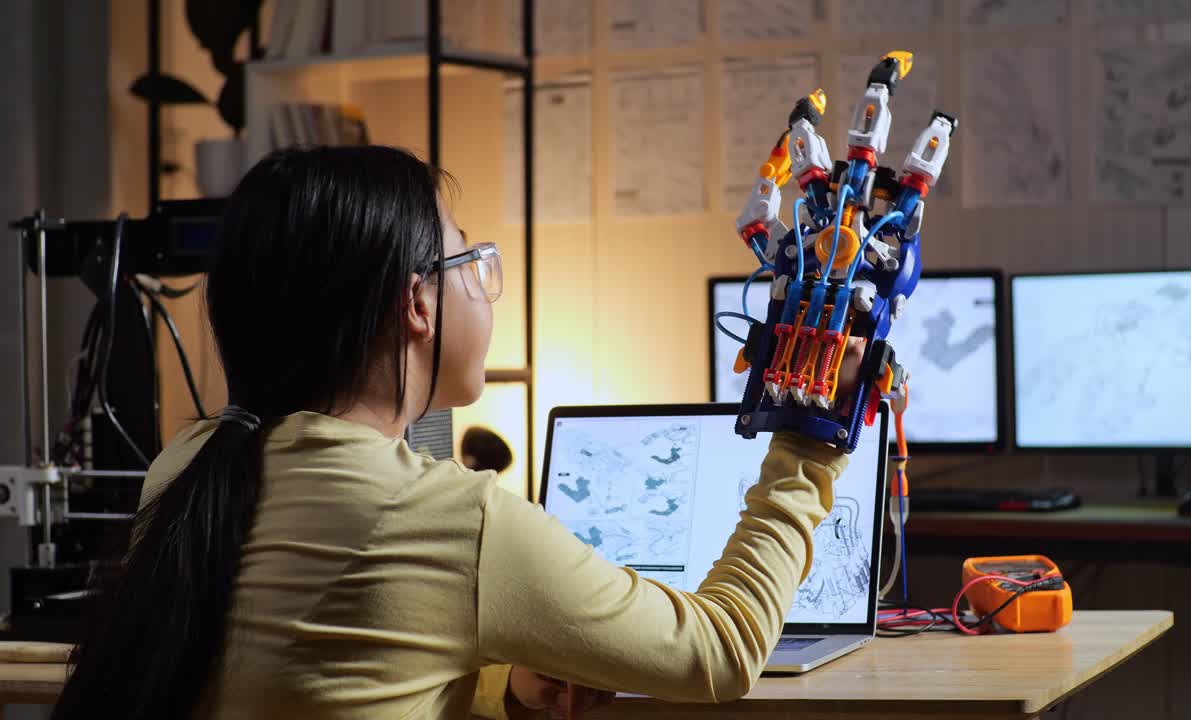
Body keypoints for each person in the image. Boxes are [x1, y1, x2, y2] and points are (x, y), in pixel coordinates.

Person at [52, 146, 865, 720]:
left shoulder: (187, 464)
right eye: (468, 259)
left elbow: (316, 668)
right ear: (416, 305)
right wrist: (810, 439)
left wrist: (499, 685)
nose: (483, 281)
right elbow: (720, 650)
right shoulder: (455, 519)